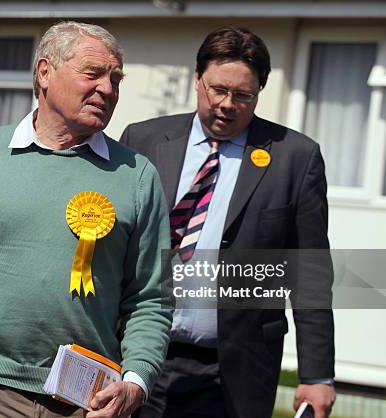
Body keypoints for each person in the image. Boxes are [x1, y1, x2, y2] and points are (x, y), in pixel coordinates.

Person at [0, 21, 172, 418]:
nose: (108, 90)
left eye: (115, 79)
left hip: (87, 401)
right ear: (44, 72)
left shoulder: (137, 176)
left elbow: (151, 298)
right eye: (92, 74)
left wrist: (136, 382)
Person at [121, 27, 336, 418]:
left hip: (233, 370)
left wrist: (317, 375)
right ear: (197, 80)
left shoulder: (295, 158)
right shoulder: (144, 140)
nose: (227, 105)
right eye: (218, 90)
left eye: (243, 96)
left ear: (259, 93)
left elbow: (310, 274)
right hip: (136, 357)